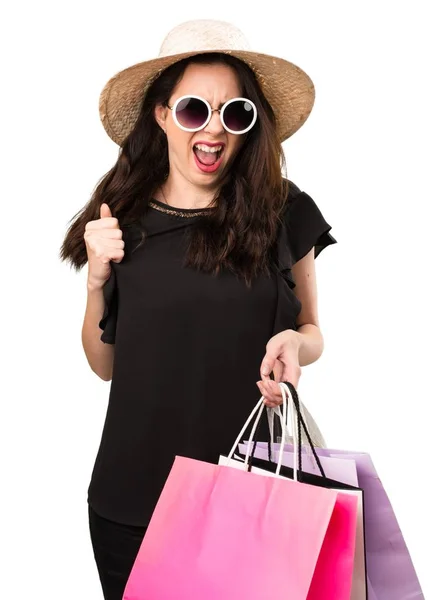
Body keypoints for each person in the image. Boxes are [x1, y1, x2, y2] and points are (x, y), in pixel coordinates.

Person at [60, 18, 337, 600]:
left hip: (251, 496)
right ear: (162, 115)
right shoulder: (122, 222)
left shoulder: (285, 212)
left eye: (233, 113)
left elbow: (311, 331)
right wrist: (97, 282)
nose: (213, 129)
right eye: (194, 110)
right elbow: (105, 364)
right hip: (132, 500)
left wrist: (295, 344)